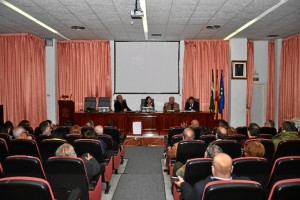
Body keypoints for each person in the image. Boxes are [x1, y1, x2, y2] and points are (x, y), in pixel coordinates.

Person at [175, 153, 249, 200]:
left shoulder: (201, 187)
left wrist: (183, 184)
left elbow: (188, 198)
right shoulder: (247, 183)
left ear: (212, 169)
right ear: (232, 169)